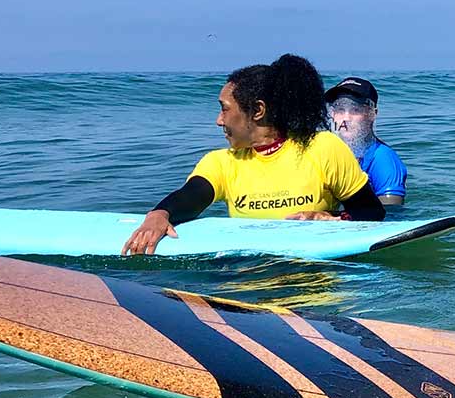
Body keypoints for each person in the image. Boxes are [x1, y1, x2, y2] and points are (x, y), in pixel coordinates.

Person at [123, 55, 383, 255]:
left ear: (257, 111)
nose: (218, 121)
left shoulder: (322, 148)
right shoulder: (222, 163)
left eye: (225, 110)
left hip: (316, 280)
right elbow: (191, 197)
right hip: (248, 281)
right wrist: (159, 214)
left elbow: (372, 213)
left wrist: (333, 219)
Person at [324, 77, 408, 206]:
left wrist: (331, 217)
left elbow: (391, 215)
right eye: (340, 109)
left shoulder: (382, 158)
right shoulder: (327, 150)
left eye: (356, 110)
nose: (346, 118)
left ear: (372, 115)